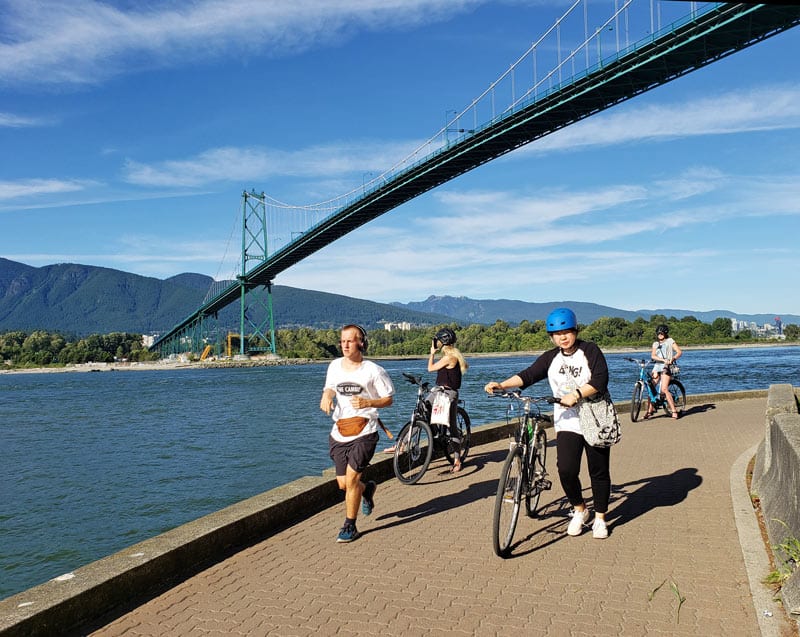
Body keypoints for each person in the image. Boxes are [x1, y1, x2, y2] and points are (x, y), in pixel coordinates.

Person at [483, 308, 612, 539]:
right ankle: (580, 510)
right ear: (551, 337)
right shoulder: (551, 357)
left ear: (575, 331)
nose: (563, 337)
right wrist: (502, 385)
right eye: (557, 333)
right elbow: (529, 375)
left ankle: (601, 518)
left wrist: (577, 394)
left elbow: (600, 379)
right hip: (568, 421)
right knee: (566, 469)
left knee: (598, 470)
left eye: (567, 332)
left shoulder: (589, 350)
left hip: (594, 418)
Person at [320, 324, 394, 543]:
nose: (345, 345)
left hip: (365, 430)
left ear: (361, 343)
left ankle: (349, 526)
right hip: (340, 430)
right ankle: (367, 490)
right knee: (344, 484)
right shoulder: (334, 366)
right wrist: (327, 395)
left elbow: (388, 398)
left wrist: (368, 402)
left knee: (351, 480)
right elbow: (331, 386)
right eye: (342, 341)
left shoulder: (373, 370)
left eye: (350, 341)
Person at [427, 327, 469, 472]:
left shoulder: (449, 358)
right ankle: (403, 443)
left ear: (442, 342)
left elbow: (430, 368)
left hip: (448, 394)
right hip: (442, 392)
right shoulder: (450, 357)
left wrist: (431, 353)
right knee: (424, 408)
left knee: (452, 428)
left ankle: (457, 460)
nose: (436, 343)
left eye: (437, 340)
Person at [646, 324, 683, 420]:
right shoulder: (655, 344)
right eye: (658, 333)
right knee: (651, 388)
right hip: (657, 366)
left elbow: (679, 352)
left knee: (664, 389)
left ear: (665, 333)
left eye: (661, 333)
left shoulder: (670, 341)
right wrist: (662, 360)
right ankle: (649, 411)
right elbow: (653, 355)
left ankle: (674, 411)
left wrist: (673, 358)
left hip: (667, 366)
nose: (660, 335)